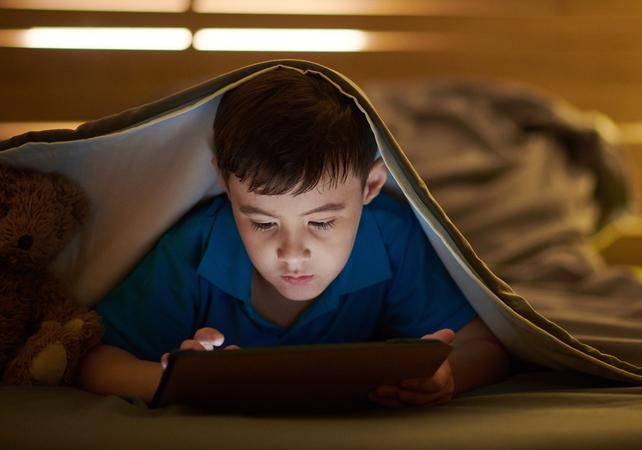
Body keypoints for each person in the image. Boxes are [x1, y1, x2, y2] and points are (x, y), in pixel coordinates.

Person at [77, 68, 510, 407]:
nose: (292, 253)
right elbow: (96, 361)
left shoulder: (391, 239)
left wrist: (447, 378)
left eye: (322, 223)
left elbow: (485, 345)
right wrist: (176, 382)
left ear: (371, 187)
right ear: (226, 186)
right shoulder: (195, 248)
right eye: (263, 223)